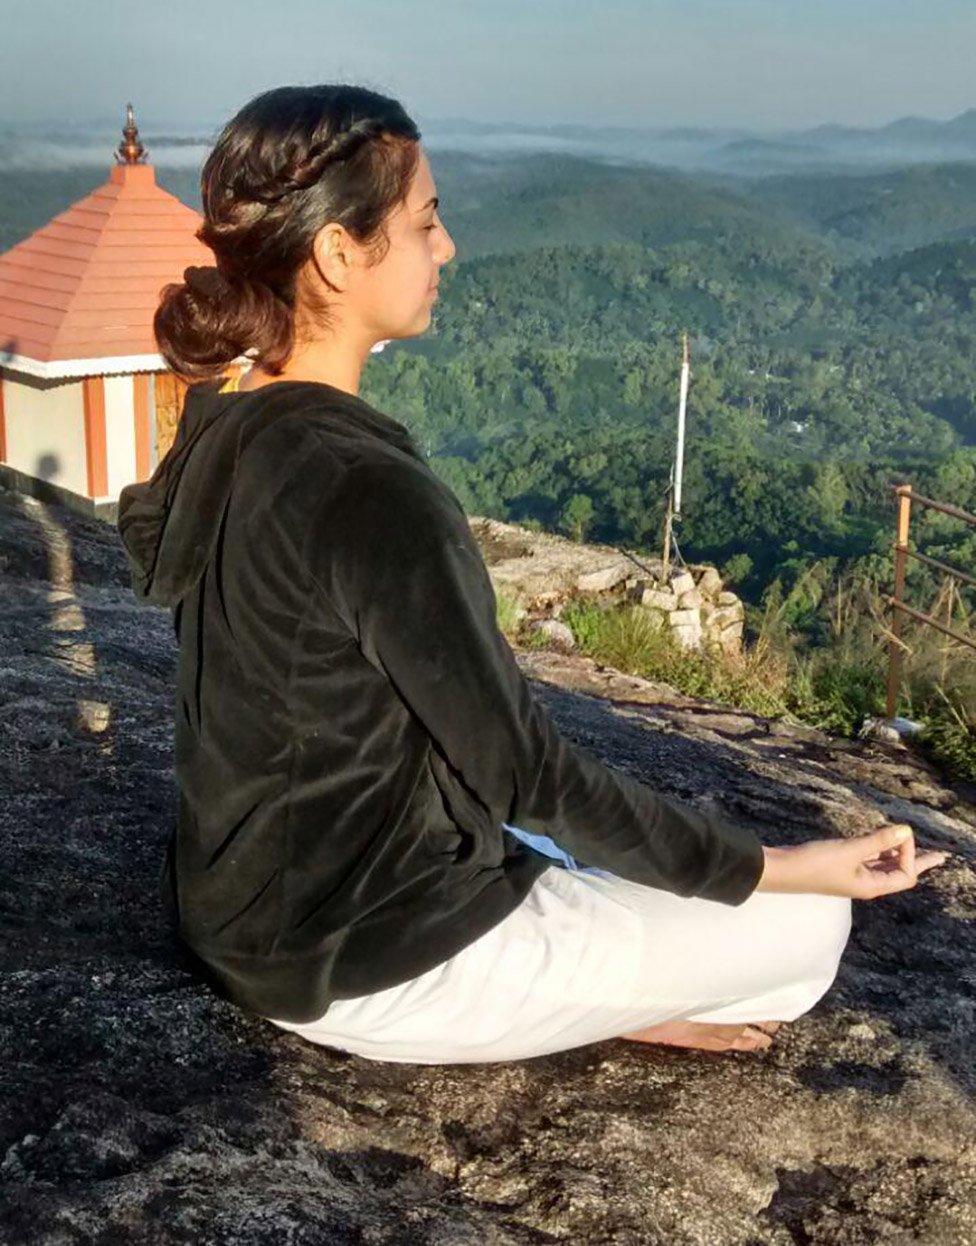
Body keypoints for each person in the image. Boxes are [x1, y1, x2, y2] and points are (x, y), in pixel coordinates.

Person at [116, 84, 949, 1065]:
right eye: (425, 220)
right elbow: (523, 775)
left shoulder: (225, 427)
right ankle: (583, 994)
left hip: (242, 912)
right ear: (339, 253)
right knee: (806, 923)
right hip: (366, 955)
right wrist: (781, 866)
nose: (448, 247)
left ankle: (592, 979)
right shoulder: (369, 490)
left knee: (642, 861)